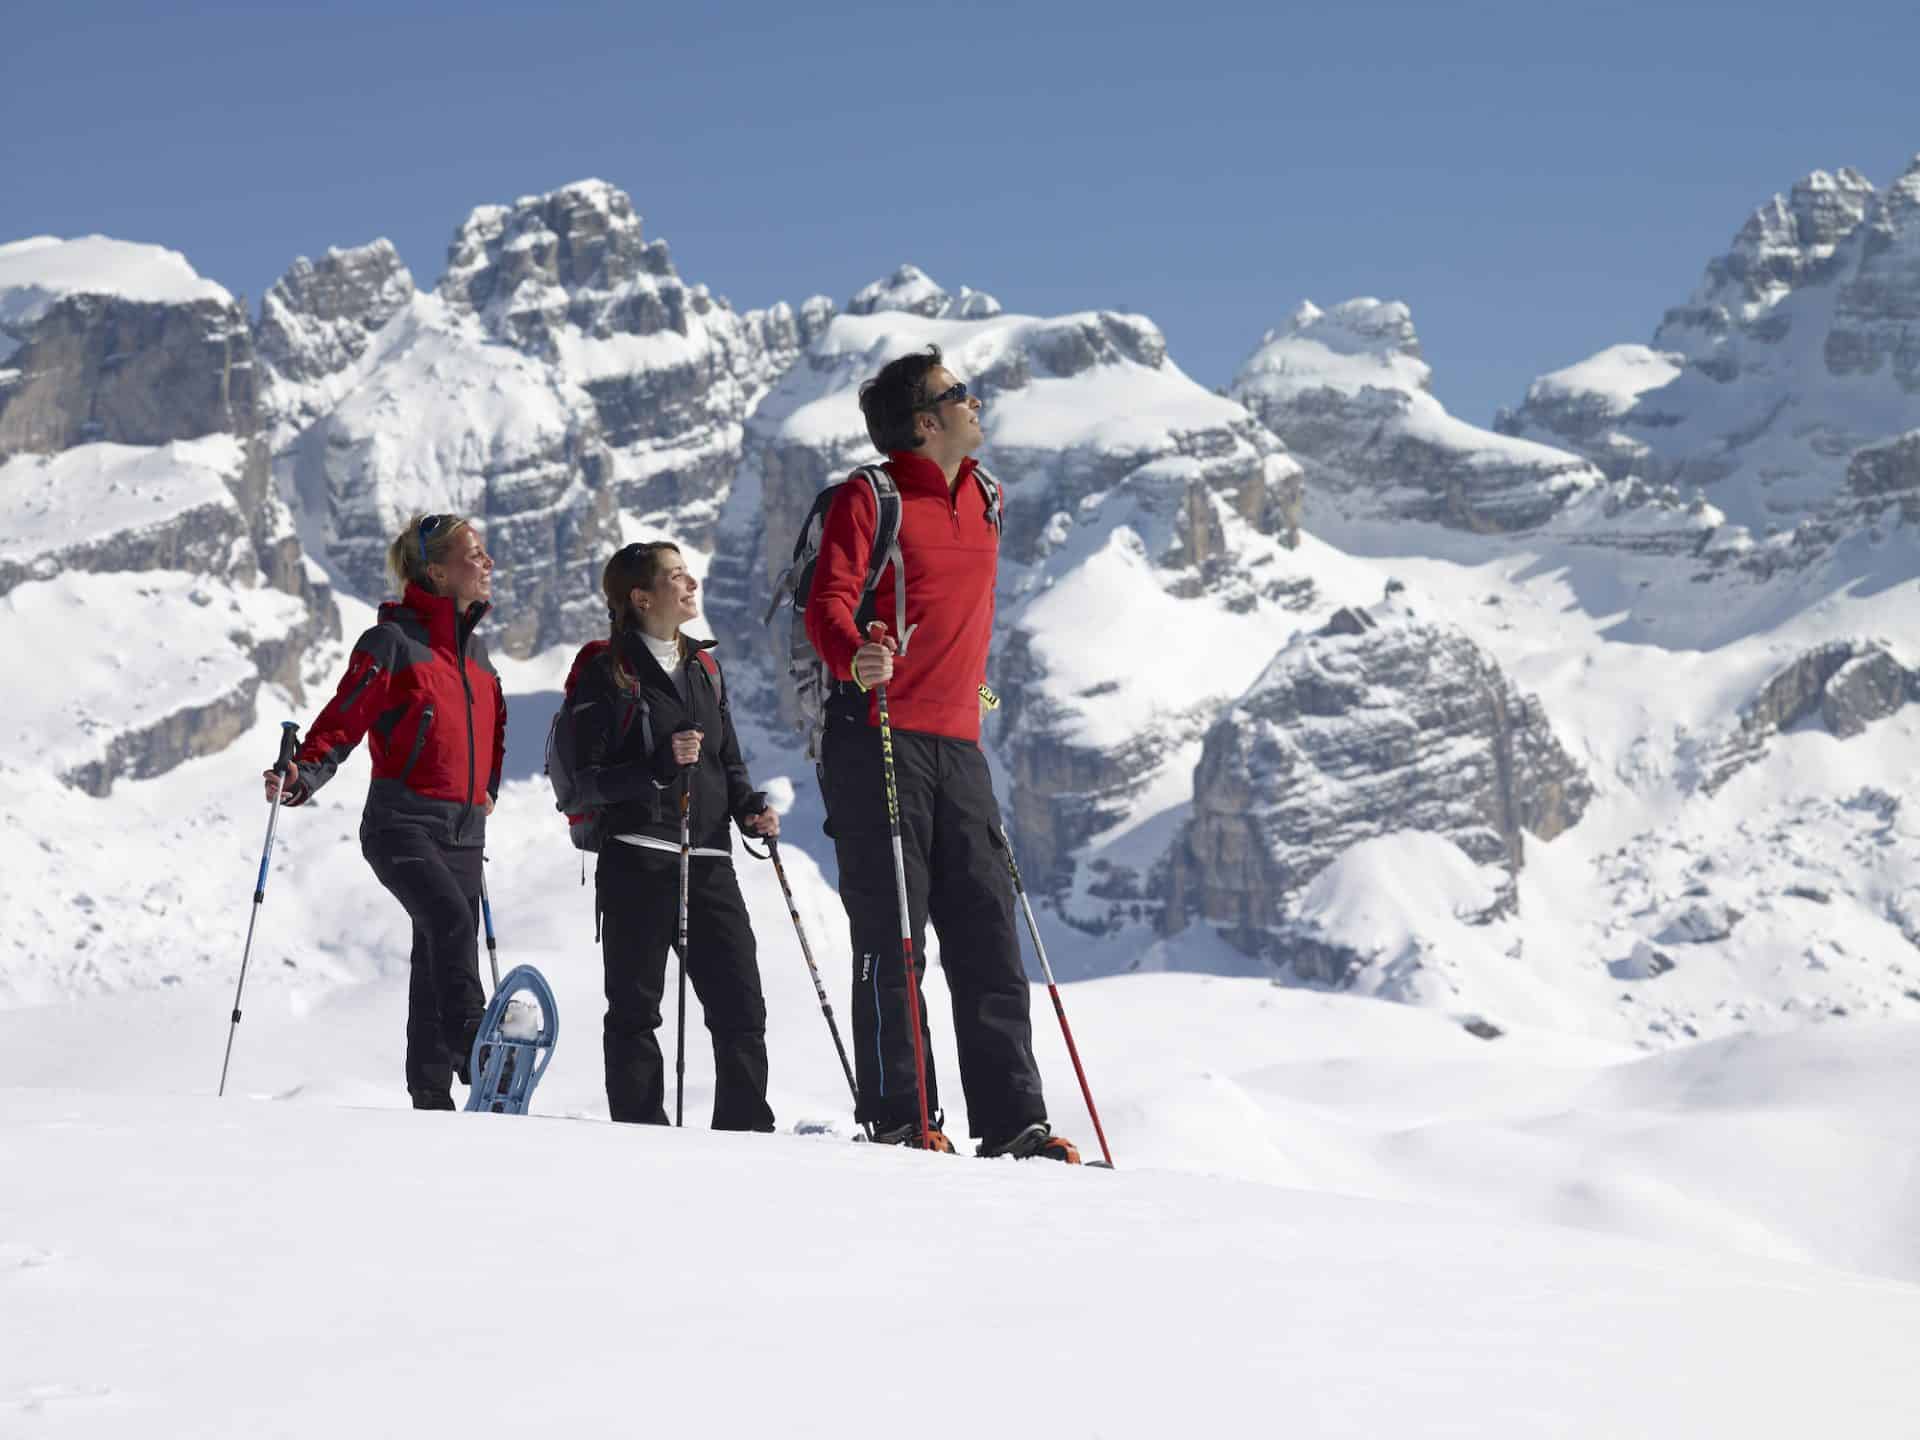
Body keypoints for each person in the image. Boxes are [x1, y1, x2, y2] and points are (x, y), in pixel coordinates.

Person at [804, 346, 1079, 1162]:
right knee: (893, 936)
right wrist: (854, 653)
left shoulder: (988, 497)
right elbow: (830, 600)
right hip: (878, 735)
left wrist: (981, 698)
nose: (976, 402)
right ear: (926, 423)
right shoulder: (871, 496)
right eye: (960, 394)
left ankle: (1014, 1123)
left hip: (961, 742)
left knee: (988, 936)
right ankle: (901, 1117)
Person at [264, 513, 505, 1110]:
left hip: (464, 831)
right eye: (473, 555)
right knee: (450, 923)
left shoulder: (479, 659)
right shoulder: (393, 643)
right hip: (402, 823)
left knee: (436, 954)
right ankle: (475, 1041)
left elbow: (493, 733)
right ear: (437, 571)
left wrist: (488, 789)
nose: (488, 563)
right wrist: (305, 773)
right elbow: (345, 716)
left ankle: (430, 1094)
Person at [566, 541, 780, 1131]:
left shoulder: (705, 668)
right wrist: (657, 768)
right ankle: (641, 1135)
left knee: (740, 1003)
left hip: (709, 857)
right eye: (676, 576)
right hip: (637, 858)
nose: (692, 584)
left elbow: (728, 762)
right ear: (641, 598)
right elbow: (585, 783)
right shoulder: (604, 671)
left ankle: (745, 1130)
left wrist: (750, 808)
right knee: (636, 1010)